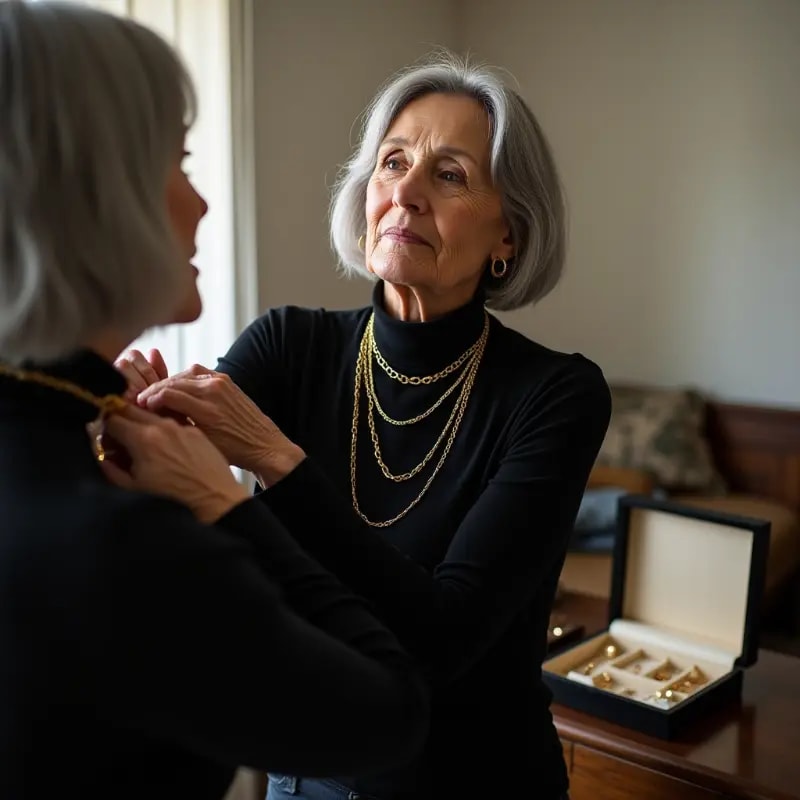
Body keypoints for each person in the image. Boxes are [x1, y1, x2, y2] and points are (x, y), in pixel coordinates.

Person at [121, 52, 612, 800]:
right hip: (306, 770)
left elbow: (444, 638)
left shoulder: (557, 395)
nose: (406, 192)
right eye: (392, 162)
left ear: (508, 234)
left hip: (477, 779)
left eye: (449, 175)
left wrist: (275, 461)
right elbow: (177, 508)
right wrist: (134, 417)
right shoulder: (288, 345)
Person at [0, 3, 432, 799]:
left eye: (450, 173)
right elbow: (386, 712)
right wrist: (224, 502)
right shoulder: (119, 546)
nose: (201, 205)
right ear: (93, 196)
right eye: (182, 162)